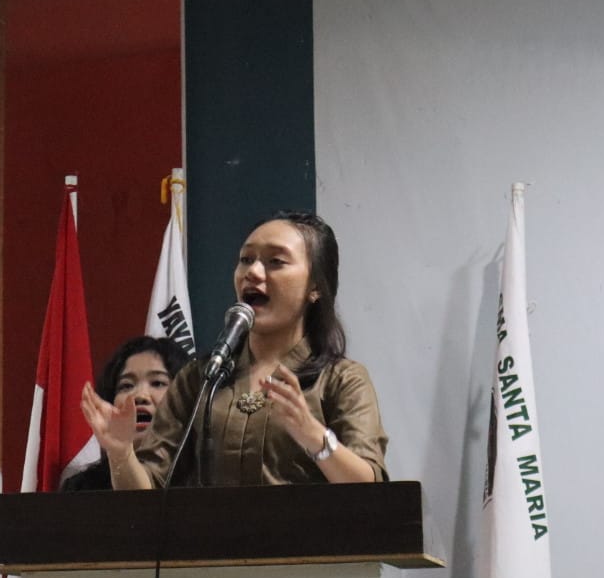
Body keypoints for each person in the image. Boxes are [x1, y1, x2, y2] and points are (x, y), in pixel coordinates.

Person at [82, 210, 387, 488]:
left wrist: (313, 435)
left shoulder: (341, 379)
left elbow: (371, 488)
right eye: (246, 259)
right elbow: (147, 498)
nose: (252, 272)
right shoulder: (200, 379)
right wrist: (120, 453)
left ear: (315, 287)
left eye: (275, 261)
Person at [61, 335, 191, 491]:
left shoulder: (205, 479)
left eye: (157, 383)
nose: (140, 396)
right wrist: (120, 453)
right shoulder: (82, 489)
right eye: (127, 386)